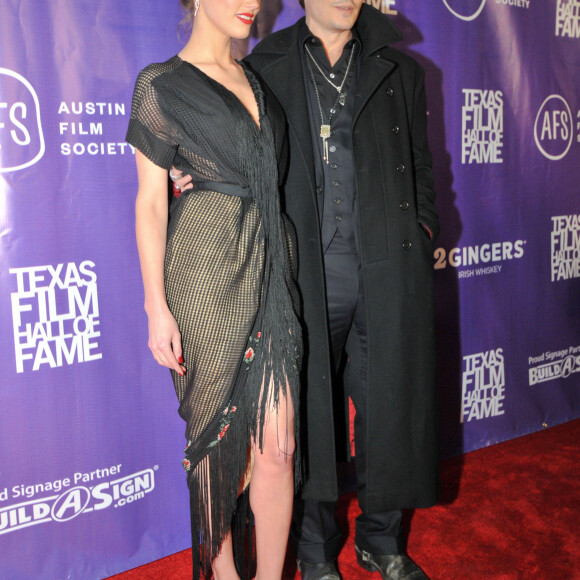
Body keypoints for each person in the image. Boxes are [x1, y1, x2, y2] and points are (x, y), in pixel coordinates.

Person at [174, 1, 439, 578]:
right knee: (310, 421)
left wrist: (421, 231)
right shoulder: (264, 69)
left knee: (389, 412)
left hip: (387, 271)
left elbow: (421, 167)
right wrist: (189, 167)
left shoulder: (403, 71)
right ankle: (316, 553)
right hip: (301, 276)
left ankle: (383, 541)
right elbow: (232, 151)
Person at [126, 1, 302, 579]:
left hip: (271, 267)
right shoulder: (161, 84)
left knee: (278, 448)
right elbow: (151, 202)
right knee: (214, 440)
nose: (251, 2)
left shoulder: (257, 79)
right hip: (204, 273)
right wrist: (156, 305)